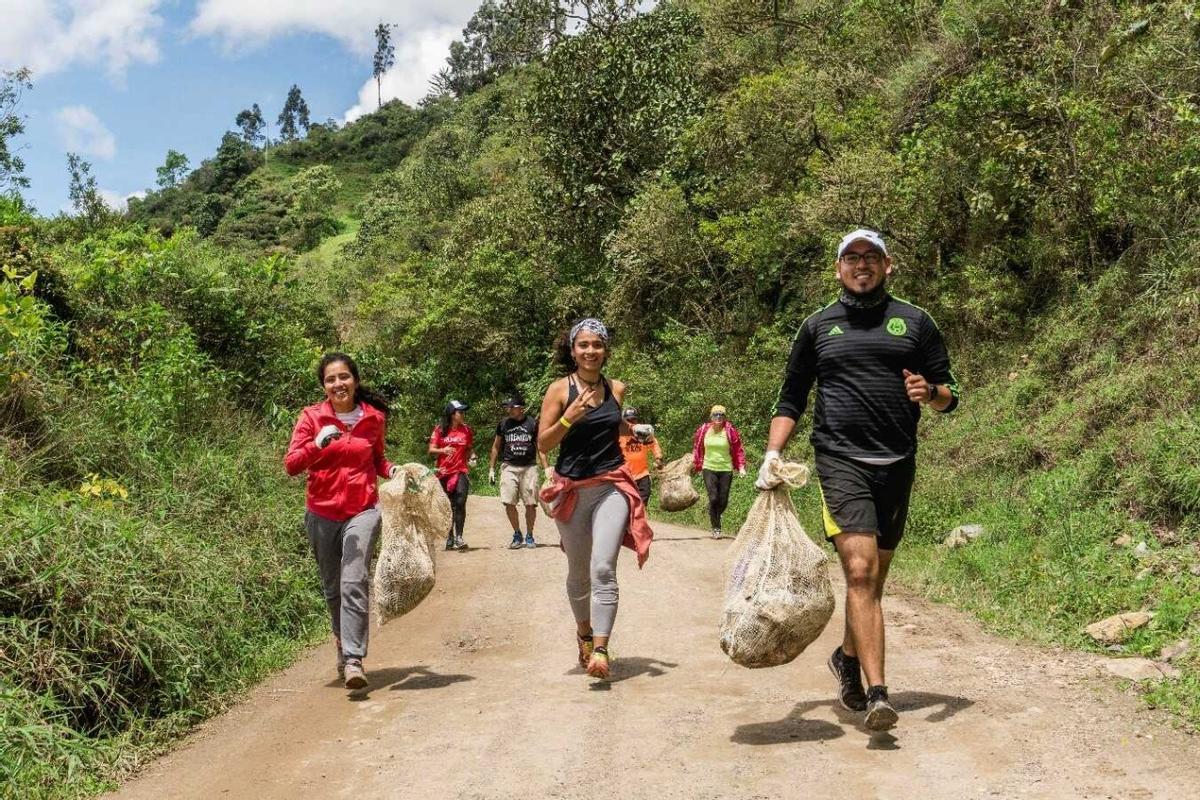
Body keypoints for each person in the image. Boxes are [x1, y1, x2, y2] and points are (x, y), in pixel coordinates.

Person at [757, 228, 960, 732]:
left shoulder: (915, 322)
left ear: (888, 266)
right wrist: (772, 452)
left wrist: (929, 391)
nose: (861, 265)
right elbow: (792, 397)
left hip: (897, 462)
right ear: (838, 268)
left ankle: (847, 656)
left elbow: (950, 397)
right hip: (839, 460)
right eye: (852, 257)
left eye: (871, 257)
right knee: (861, 573)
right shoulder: (818, 327)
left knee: (871, 581)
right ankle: (878, 694)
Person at [537, 318, 654, 680]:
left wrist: (632, 429)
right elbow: (543, 443)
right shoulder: (559, 390)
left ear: (606, 350)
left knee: (603, 567)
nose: (591, 351)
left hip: (611, 484)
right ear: (573, 350)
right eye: (584, 345)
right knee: (578, 571)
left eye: (597, 344)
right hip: (572, 490)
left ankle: (601, 649)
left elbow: (611, 421)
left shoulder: (615, 388)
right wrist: (569, 418)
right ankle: (584, 634)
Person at [284, 352, 400, 692]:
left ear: (356, 380)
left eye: (344, 377)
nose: (339, 384)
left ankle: (353, 659)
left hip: (362, 510)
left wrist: (393, 470)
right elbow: (291, 464)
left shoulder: (374, 419)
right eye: (331, 379)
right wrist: (317, 445)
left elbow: (377, 459)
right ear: (324, 386)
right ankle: (341, 644)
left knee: (354, 580)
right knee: (333, 588)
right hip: (320, 512)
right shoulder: (311, 418)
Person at [489, 395, 550, 549]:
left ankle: (529, 535)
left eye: (511, 407)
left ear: (520, 408)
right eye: (507, 407)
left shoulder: (533, 424)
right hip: (509, 466)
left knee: (531, 504)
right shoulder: (503, 424)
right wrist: (491, 468)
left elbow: (540, 447)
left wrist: (547, 468)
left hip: (529, 467)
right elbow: (496, 446)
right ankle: (517, 533)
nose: (508, 409)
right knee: (508, 502)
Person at [691, 404, 747, 539]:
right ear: (711, 416)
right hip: (708, 467)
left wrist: (741, 467)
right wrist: (694, 462)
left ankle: (714, 512)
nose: (718, 417)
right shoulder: (704, 430)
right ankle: (716, 527)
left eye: (721, 415)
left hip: (726, 469)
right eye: (716, 414)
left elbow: (738, 449)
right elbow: (697, 447)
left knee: (723, 501)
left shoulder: (730, 431)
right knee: (713, 497)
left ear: (725, 417)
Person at [430, 400, 474, 551]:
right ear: (452, 414)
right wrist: (443, 451)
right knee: (447, 505)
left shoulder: (467, 430)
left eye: (463, 412)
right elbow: (431, 449)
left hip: (460, 470)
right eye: (460, 412)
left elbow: (469, 449)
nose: (462, 414)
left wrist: (472, 456)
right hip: (443, 472)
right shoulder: (439, 430)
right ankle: (449, 538)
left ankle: (459, 537)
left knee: (460, 501)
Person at [618, 407, 662, 505]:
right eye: (628, 420)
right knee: (628, 502)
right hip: (626, 475)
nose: (632, 422)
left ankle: (639, 517)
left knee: (643, 499)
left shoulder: (643, 433)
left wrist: (658, 457)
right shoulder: (619, 436)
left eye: (634, 419)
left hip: (643, 474)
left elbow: (653, 443)